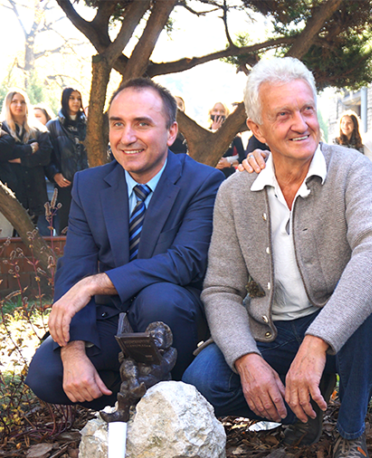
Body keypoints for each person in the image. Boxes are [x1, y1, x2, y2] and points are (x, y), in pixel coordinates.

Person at [183, 57, 372, 458]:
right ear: (257, 129)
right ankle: (301, 412)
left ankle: (351, 435)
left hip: (339, 326)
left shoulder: (351, 169)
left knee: (370, 302)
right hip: (272, 331)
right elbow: (220, 288)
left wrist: (318, 342)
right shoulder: (234, 193)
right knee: (202, 383)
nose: (301, 124)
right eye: (283, 114)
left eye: (307, 109)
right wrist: (247, 361)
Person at [25, 78, 224, 412]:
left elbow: (186, 261)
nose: (127, 137)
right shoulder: (90, 184)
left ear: (171, 132)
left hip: (172, 315)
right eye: (118, 124)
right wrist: (73, 350)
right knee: (46, 374)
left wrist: (96, 283)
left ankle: (175, 396)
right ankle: (138, 399)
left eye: (142, 124)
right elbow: (76, 266)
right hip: (112, 317)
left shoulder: (202, 182)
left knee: (159, 297)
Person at [0, 89, 52, 236]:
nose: (19, 105)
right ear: (8, 104)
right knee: (9, 236)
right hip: (11, 187)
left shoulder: (39, 129)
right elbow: (3, 153)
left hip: (34, 188)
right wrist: (28, 150)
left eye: (22, 102)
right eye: (14, 101)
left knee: (32, 235)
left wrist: (20, 160)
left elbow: (45, 156)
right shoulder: (2, 128)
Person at [46, 87, 88, 234]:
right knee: (65, 225)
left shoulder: (89, 125)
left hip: (86, 183)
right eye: (72, 98)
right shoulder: (53, 126)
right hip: (64, 183)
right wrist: (55, 174)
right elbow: (47, 156)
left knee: (87, 223)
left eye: (78, 98)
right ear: (64, 100)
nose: (76, 102)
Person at [210, 101, 245, 177]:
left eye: (222, 111)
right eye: (215, 111)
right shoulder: (204, 133)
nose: (218, 114)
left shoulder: (234, 135)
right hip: (210, 175)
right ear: (210, 113)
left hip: (228, 175)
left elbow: (243, 157)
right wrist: (214, 131)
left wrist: (228, 162)